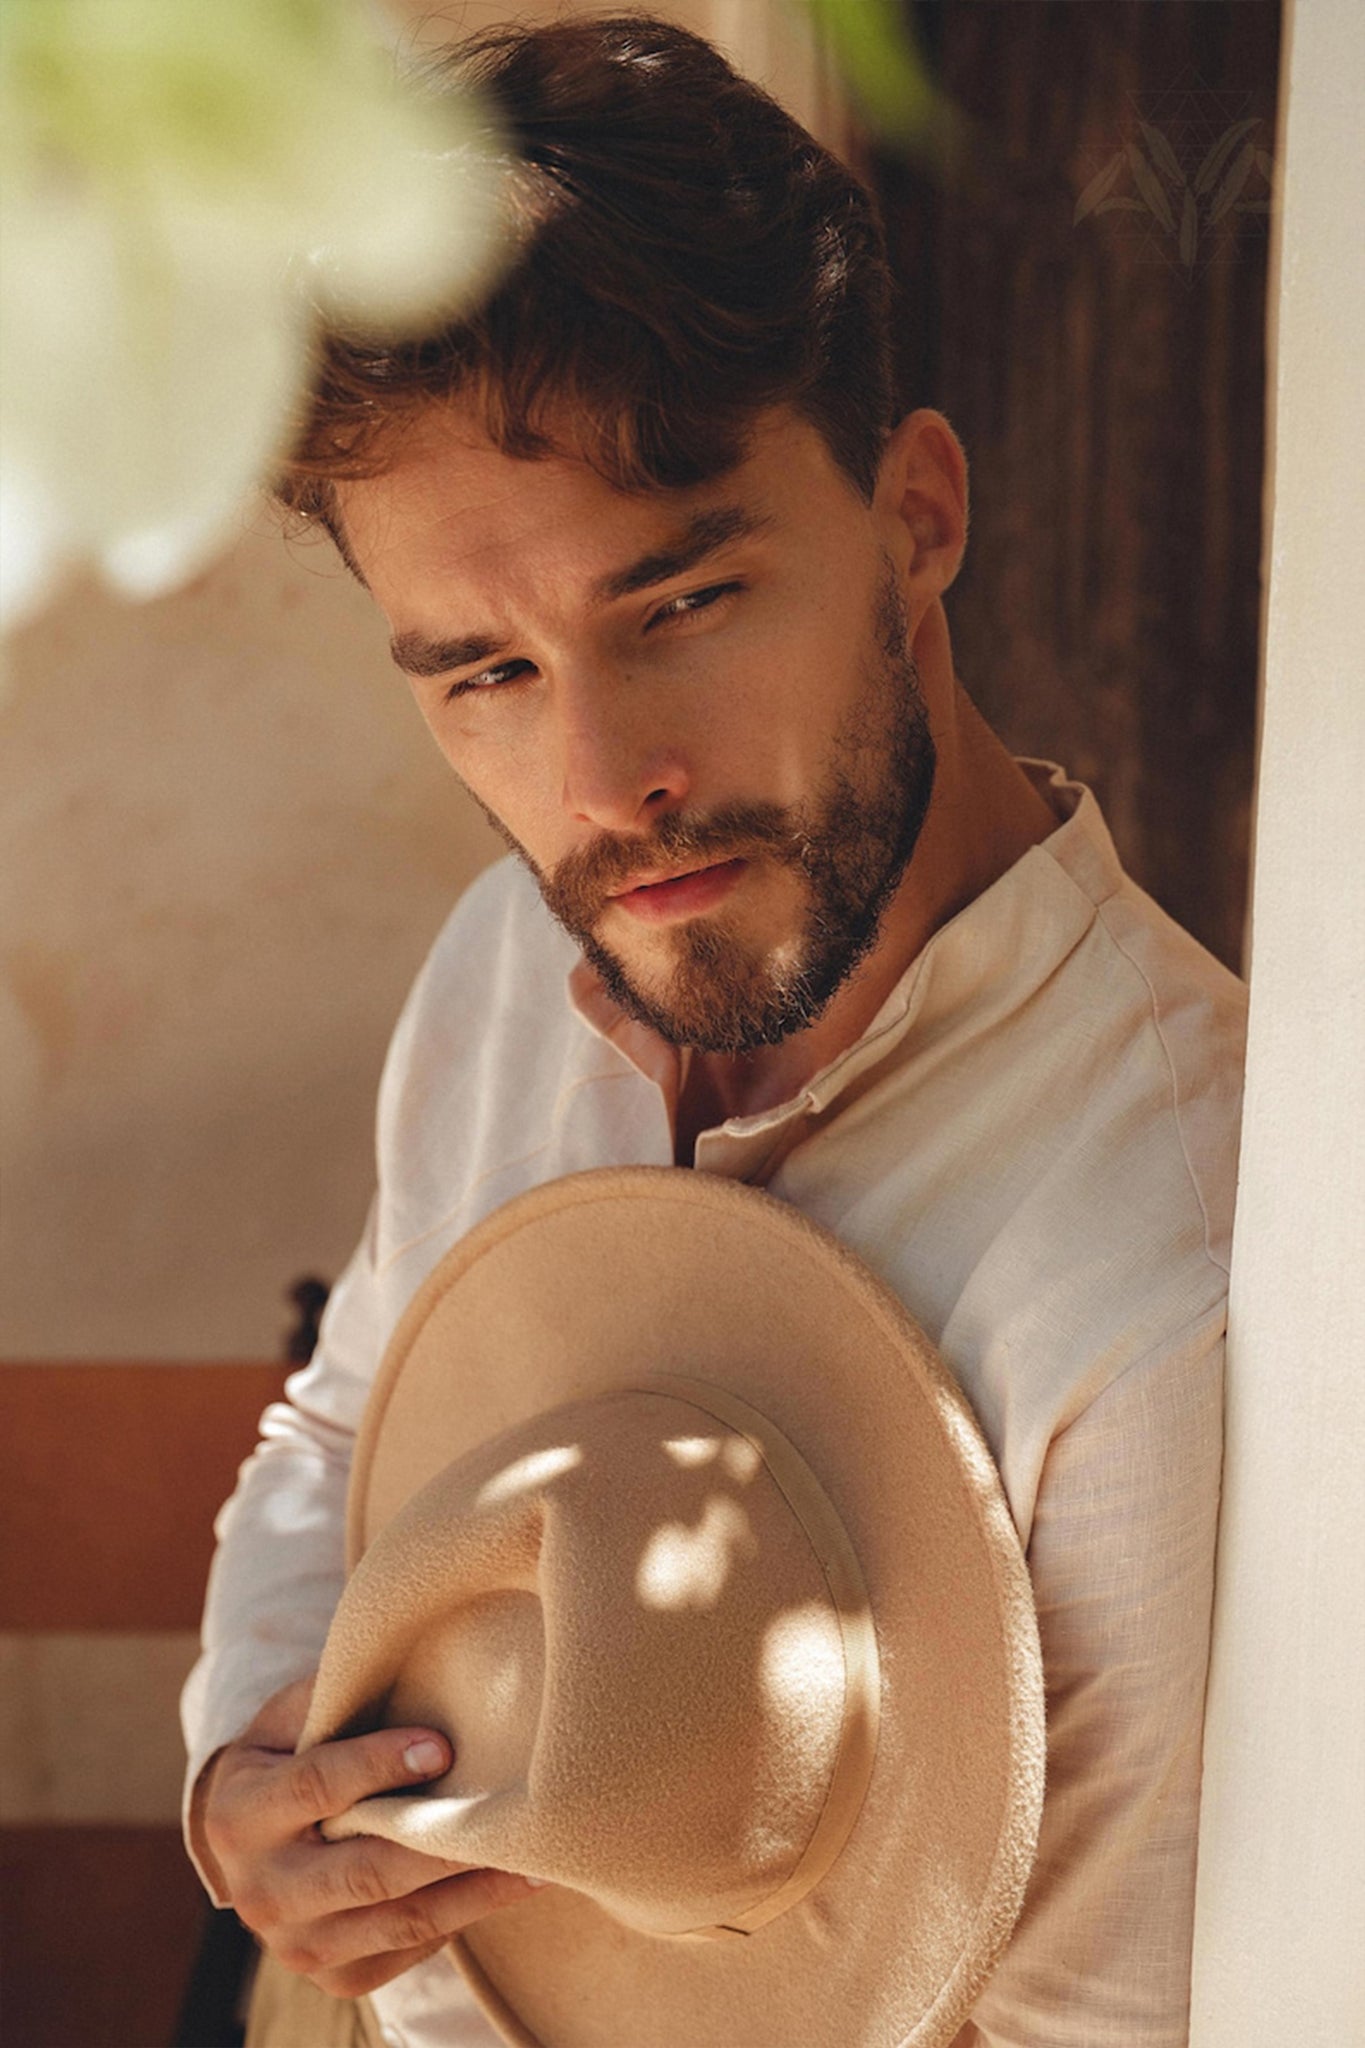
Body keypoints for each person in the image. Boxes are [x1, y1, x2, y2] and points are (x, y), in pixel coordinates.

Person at [182, 17, 1246, 2047]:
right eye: (484, 669)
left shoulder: (1168, 1262)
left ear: (915, 513)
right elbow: (344, 1423)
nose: (603, 783)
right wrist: (239, 1772)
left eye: (676, 604)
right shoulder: (507, 966)